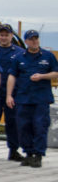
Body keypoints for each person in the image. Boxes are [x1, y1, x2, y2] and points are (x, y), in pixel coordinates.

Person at [6, 30, 58, 168]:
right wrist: (9, 95)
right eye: (31, 39)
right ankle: (28, 153)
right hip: (23, 98)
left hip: (41, 98)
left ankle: (38, 155)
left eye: (36, 38)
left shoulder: (48, 56)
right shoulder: (19, 57)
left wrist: (42, 76)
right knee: (23, 127)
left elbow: (55, 73)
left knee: (40, 126)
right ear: (27, 41)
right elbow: (12, 76)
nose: (34, 41)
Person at [0, 24, 25, 161]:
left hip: (13, 93)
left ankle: (14, 150)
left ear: (11, 36)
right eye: (1, 35)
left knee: (13, 122)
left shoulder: (20, 53)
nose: (4, 37)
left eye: (6, 35)